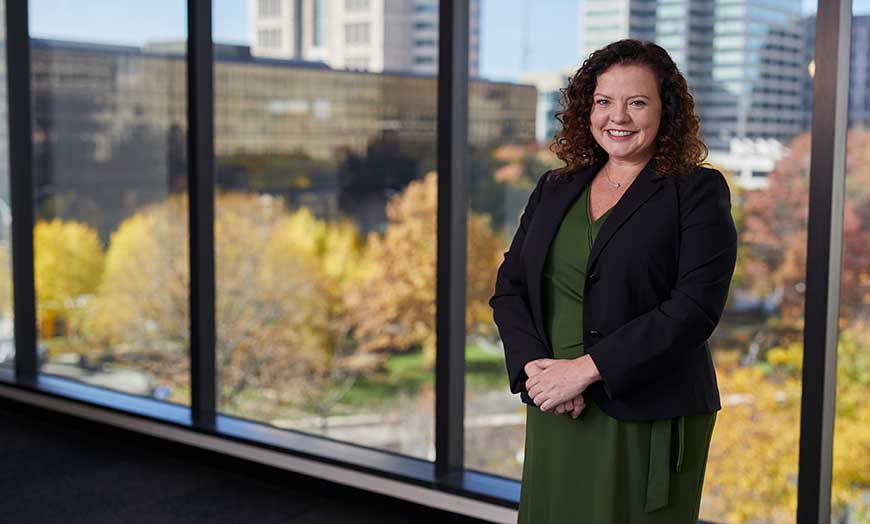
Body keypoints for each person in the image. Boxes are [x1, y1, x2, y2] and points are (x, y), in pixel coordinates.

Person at [488, 39, 738, 523]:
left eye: (637, 102)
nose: (617, 117)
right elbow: (511, 286)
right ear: (587, 109)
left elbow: (693, 310)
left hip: (646, 410)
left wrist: (584, 370)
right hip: (557, 402)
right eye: (604, 102)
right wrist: (538, 372)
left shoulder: (698, 191)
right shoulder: (556, 187)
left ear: (667, 111)